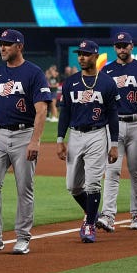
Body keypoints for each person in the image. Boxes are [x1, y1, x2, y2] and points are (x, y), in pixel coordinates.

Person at [0, 29, 50, 255]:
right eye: (1, 44)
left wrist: (35, 141)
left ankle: (23, 237)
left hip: (23, 134)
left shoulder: (34, 73)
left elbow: (41, 109)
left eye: (7, 44)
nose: (2, 47)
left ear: (19, 46)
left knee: (24, 187)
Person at [57, 39, 119, 243]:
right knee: (73, 186)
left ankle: (90, 225)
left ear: (95, 56)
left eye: (86, 54)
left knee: (93, 184)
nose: (81, 57)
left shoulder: (107, 83)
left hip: (97, 134)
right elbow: (64, 112)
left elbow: (112, 115)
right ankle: (94, 214)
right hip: (75, 135)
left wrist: (114, 144)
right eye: (79, 54)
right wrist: (60, 139)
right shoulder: (71, 82)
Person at [96, 32, 137, 232]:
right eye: (118, 46)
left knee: (136, 172)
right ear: (114, 48)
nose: (121, 49)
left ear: (132, 46)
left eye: (125, 45)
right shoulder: (107, 70)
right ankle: (108, 216)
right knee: (112, 171)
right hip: (114, 125)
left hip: (136, 123)